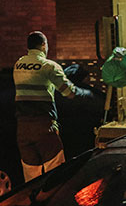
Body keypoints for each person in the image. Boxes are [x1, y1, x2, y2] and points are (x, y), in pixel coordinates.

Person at [14, 31, 92, 181]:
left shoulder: (18, 65)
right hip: (43, 127)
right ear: (44, 45)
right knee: (55, 173)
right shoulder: (49, 66)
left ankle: (33, 202)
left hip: (22, 128)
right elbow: (69, 92)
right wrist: (87, 94)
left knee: (31, 176)